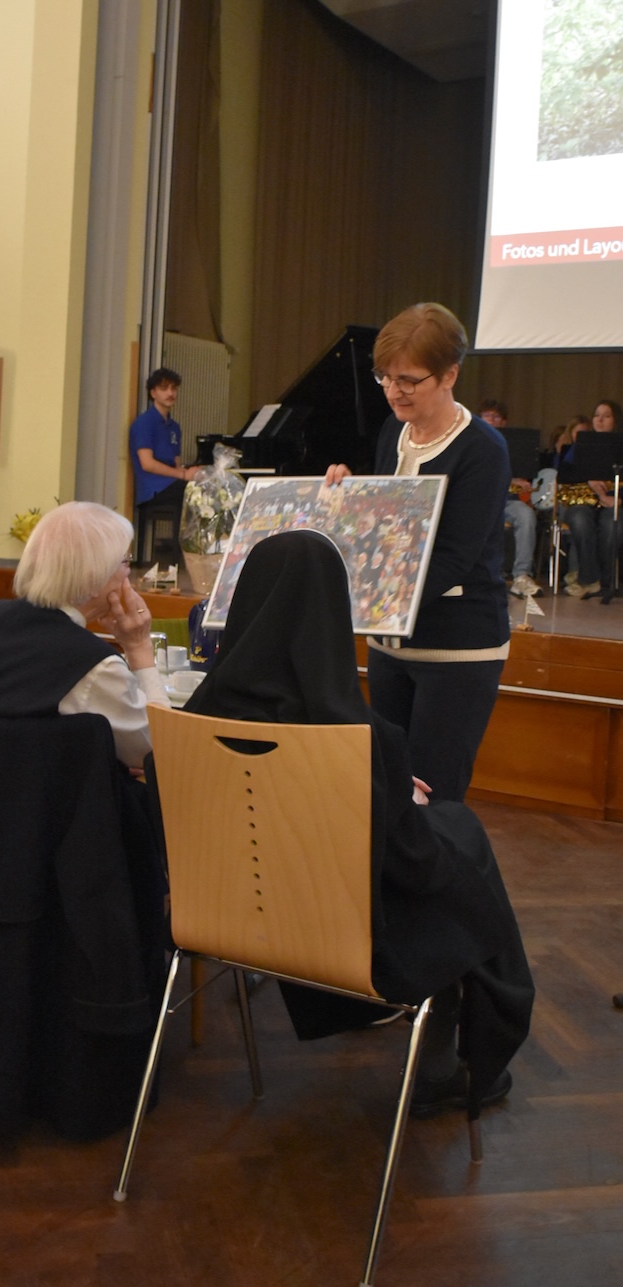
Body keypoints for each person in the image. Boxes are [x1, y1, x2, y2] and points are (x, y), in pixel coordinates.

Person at [184, 531, 533, 1117]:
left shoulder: (194, 721)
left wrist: (392, 792)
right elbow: (417, 869)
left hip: (224, 925)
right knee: (462, 850)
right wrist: (405, 803)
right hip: (344, 941)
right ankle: (445, 1066)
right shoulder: (361, 739)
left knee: (453, 838)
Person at [325, 302, 510, 804]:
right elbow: (388, 530)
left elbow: (453, 557)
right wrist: (348, 499)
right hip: (390, 648)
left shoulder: (483, 449)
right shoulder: (395, 431)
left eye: (408, 380)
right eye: (385, 377)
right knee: (387, 791)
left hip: (456, 649)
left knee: (434, 798)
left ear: (450, 374)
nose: (394, 391)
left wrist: (369, 604)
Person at [0, 501, 170, 769]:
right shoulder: (92, 666)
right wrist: (138, 647)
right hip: (43, 794)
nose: (129, 574)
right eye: (125, 562)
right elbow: (159, 750)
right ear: (93, 579)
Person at [129, 368, 198, 564]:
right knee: (192, 492)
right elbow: (147, 463)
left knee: (203, 489)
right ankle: (180, 559)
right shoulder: (144, 423)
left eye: (174, 388)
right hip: (153, 488)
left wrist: (191, 473)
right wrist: (183, 475)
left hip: (170, 484)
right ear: (153, 393)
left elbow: (176, 463)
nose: (170, 393)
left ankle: (196, 552)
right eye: (164, 388)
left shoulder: (174, 427)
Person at [557, 399, 623, 600]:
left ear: (615, 420)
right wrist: (589, 480)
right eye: (597, 415)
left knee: (612, 526)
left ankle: (606, 581)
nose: (599, 420)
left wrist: (619, 500)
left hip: (613, 502)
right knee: (580, 520)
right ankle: (590, 580)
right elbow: (564, 475)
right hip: (583, 501)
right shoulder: (580, 444)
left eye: (606, 416)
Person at [478, 399, 541, 598]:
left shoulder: (513, 444)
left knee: (526, 515)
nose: (491, 420)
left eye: (496, 416)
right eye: (487, 415)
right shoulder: (472, 441)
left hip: (507, 500)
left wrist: (521, 482)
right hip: (480, 501)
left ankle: (521, 576)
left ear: (504, 422)